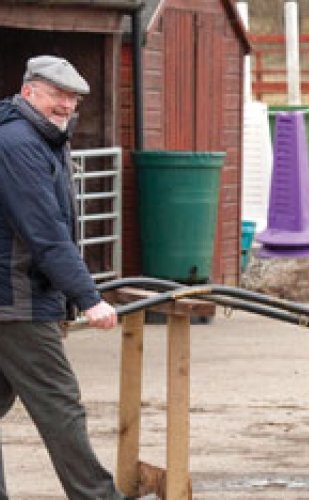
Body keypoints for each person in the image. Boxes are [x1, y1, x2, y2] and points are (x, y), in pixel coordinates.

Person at [0, 55, 127, 499]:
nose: (67, 106)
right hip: (16, 300)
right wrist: (88, 298)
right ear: (30, 91)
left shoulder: (40, 138)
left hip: (13, 295)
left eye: (73, 99)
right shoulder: (18, 144)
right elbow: (45, 233)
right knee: (60, 405)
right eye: (58, 95)